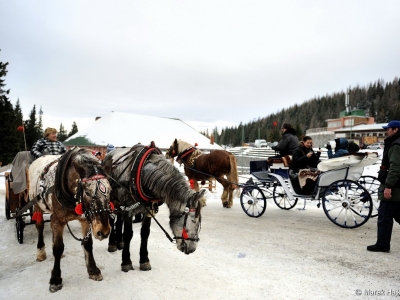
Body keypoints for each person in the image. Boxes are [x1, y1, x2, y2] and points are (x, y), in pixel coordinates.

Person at [367, 120, 400, 253]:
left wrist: (388, 186)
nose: (387, 131)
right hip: (398, 186)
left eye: (388, 129)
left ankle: (383, 244)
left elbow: (395, 168)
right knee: (397, 213)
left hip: (394, 187)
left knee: (385, 216)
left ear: (395, 130)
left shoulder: (396, 145)